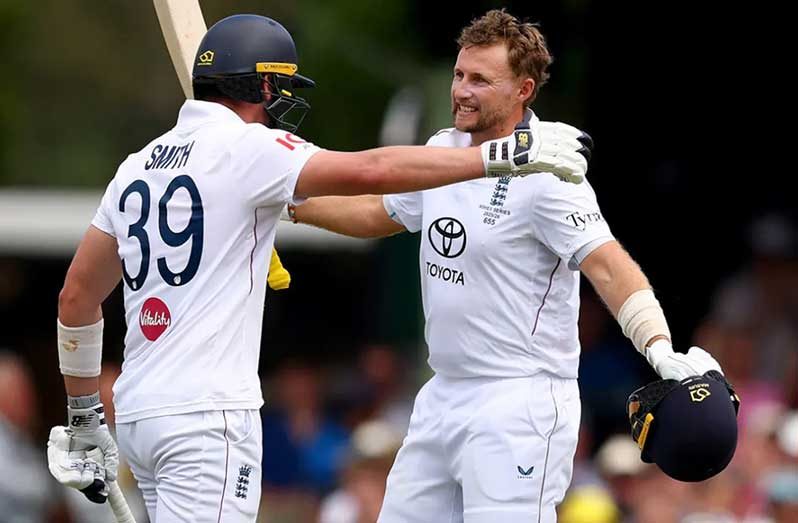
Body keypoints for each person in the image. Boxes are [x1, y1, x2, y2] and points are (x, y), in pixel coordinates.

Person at [44, 13, 591, 523]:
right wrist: (504, 157)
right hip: (208, 419)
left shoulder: (136, 167)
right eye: (280, 87)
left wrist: (85, 414)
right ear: (261, 87)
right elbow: (374, 169)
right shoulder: (253, 149)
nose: (284, 99)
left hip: (139, 412)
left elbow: (76, 298)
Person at [287, 9, 727, 522]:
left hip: (520, 402)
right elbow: (374, 212)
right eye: (458, 75)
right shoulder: (442, 150)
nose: (462, 91)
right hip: (442, 392)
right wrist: (287, 201)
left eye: (480, 80)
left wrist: (657, 344)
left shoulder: (551, 171)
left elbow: (608, 265)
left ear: (522, 90)